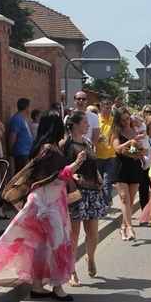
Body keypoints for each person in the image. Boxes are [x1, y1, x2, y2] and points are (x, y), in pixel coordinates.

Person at [0, 111, 85, 302]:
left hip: (47, 202)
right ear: (55, 127)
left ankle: (37, 286)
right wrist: (77, 164)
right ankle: (57, 287)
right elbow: (56, 176)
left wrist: (71, 174)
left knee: (42, 246)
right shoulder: (48, 149)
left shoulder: (46, 147)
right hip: (48, 204)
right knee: (56, 244)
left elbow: (54, 175)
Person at [61, 111, 107, 286]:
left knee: (93, 231)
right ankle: (71, 271)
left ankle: (91, 257)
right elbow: (62, 168)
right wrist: (73, 177)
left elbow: (92, 162)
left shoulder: (87, 142)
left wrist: (98, 176)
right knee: (74, 234)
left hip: (92, 191)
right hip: (75, 193)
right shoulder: (66, 144)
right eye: (85, 123)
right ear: (75, 125)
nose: (88, 126)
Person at [110, 108, 147, 242]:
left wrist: (142, 156)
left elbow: (143, 150)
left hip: (134, 166)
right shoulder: (116, 132)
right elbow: (117, 149)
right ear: (118, 121)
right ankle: (130, 227)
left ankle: (123, 227)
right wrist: (130, 142)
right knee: (124, 198)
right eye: (122, 119)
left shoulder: (135, 132)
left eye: (127, 118)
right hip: (120, 167)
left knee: (131, 200)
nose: (126, 121)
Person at [96, 99, 117, 207]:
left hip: (110, 154)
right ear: (101, 108)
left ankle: (107, 201)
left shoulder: (114, 121)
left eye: (110, 108)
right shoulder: (96, 120)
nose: (108, 110)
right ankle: (102, 200)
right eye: (106, 108)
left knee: (107, 179)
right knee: (99, 181)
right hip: (98, 154)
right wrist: (97, 139)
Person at [8, 98, 33, 171]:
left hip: (26, 151)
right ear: (26, 107)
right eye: (30, 106)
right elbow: (13, 136)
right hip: (21, 152)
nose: (30, 109)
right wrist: (11, 149)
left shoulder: (23, 119)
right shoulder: (17, 119)